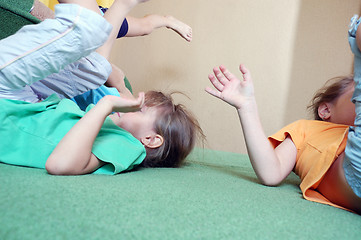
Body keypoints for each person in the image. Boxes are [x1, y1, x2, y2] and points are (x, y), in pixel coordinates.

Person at [0, 0, 203, 175]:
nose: (128, 105)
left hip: (7, 107)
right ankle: (123, 4)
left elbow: (59, 165)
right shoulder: (118, 131)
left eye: (139, 109)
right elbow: (117, 89)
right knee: (98, 69)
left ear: (150, 140)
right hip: (22, 103)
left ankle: (114, 10)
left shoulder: (129, 147)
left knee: (89, 28)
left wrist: (106, 105)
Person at [205, 18, 361, 213]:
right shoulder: (307, 130)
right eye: (355, 94)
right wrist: (247, 107)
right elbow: (271, 172)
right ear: (325, 110)